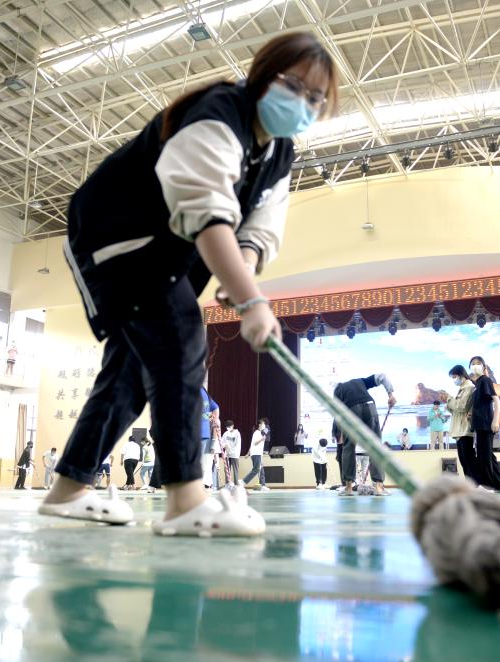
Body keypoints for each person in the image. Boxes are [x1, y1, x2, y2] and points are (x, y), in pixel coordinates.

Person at [37, 31, 336, 535]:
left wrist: (241, 273)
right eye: (294, 86)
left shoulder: (279, 153)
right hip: (117, 239)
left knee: (130, 371)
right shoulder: (218, 113)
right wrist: (251, 301)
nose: (303, 103)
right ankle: (185, 501)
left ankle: (67, 491)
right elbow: (207, 214)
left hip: (170, 258)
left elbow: (259, 228)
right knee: (181, 338)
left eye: (316, 98)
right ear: (264, 75)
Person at [332, 374, 396, 497]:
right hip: (370, 406)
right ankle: (378, 487)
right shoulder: (360, 381)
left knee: (348, 447)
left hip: (351, 410)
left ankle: (348, 487)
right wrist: (390, 395)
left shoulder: (338, 391)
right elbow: (382, 376)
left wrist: (340, 433)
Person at [468, 356, 500, 493]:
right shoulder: (478, 383)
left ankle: (487, 486)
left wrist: (495, 420)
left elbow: (496, 400)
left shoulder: (485, 380)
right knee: (488, 454)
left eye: (478, 363)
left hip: (485, 424)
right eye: (473, 364)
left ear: (483, 367)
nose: (475, 366)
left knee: (484, 455)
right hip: (480, 423)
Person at [445, 365, 476, 483]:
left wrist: (448, 398)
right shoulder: (462, 388)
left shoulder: (469, 387)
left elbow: (462, 406)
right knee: (463, 460)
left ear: (462, 375)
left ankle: (474, 484)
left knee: (468, 460)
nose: (454, 380)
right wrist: (448, 403)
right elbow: (456, 410)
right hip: (459, 429)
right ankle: (470, 484)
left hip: (465, 429)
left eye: (454, 377)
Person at [199, 387, 221, 490]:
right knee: (206, 462)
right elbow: (216, 408)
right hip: (205, 434)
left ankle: (203, 484)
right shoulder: (205, 393)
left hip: (197, 433)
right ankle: (206, 485)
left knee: (204, 462)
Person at [241, 419, 269, 491]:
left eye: (265, 424)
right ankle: (243, 481)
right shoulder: (257, 433)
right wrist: (262, 439)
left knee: (261, 469)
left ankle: (263, 485)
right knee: (256, 469)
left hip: (258, 454)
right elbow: (255, 443)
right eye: (263, 424)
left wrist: (248, 453)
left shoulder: (260, 433)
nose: (264, 425)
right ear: (259, 425)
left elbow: (251, 445)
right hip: (256, 454)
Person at [221, 421, 242, 486]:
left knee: (235, 470)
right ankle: (227, 484)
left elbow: (237, 445)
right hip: (227, 455)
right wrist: (225, 446)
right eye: (227, 427)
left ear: (232, 426)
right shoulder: (225, 433)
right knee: (227, 470)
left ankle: (236, 484)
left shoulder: (237, 433)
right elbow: (221, 442)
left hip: (234, 454)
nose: (228, 428)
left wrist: (230, 450)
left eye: (229, 426)